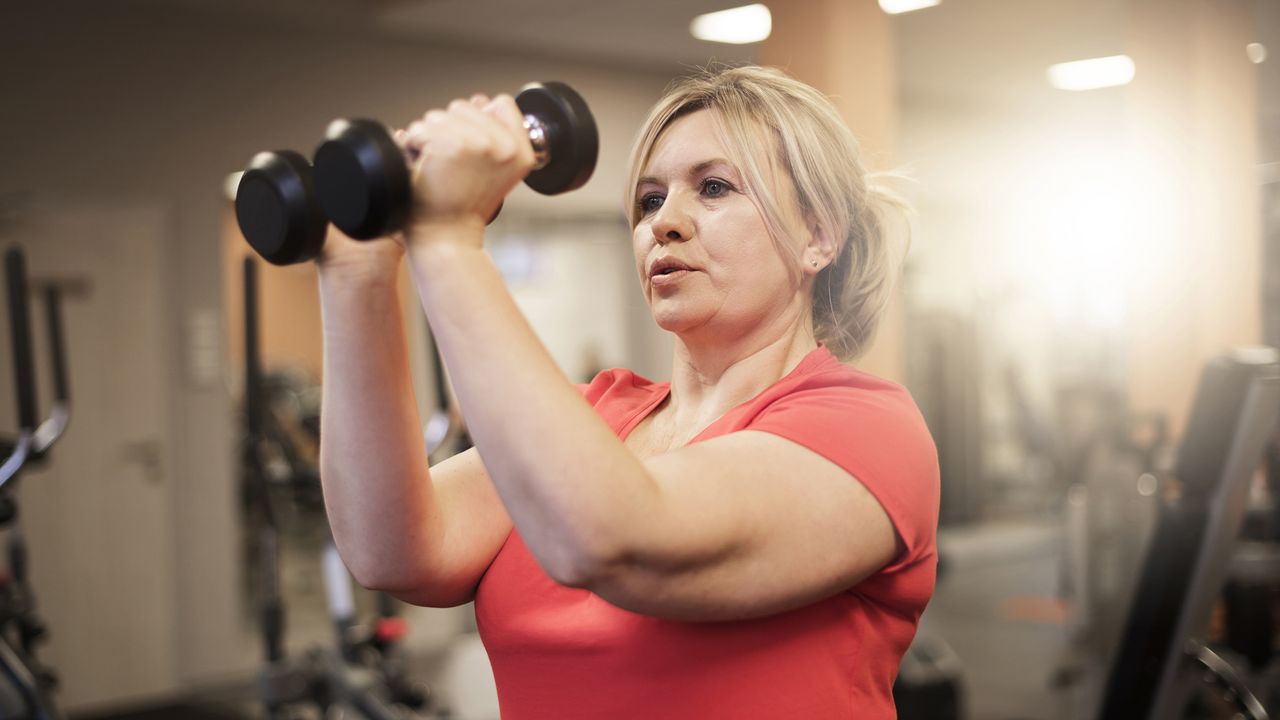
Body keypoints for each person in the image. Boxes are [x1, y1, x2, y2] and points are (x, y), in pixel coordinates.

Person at [316, 65, 939, 719]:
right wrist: (356, 270)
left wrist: (447, 239)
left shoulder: (870, 428)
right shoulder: (592, 416)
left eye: (715, 187)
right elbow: (393, 549)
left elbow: (614, 540)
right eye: (648, 200)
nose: (664, 222)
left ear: (817, 236)